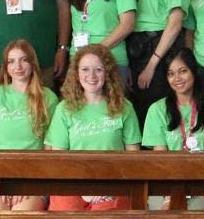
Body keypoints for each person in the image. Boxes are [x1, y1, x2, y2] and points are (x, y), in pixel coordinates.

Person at [45, 44, 141, 211]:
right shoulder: (64, 109)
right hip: (72, 184)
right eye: (85, 69)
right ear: (76, 73)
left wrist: (109, 186)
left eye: (98, 69)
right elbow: (59, 159)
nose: (91, 75)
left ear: (107, 73)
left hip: (114, 183)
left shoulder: (124, 107)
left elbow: (133, 159)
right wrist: (84, 189)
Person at [0, 40, 59, 211]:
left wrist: (25, 182)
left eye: (24, 60)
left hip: (33, 176)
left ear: (32, 63)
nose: (18, 66)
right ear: (5, 66)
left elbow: (49, 148)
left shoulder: (48, 97)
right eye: (11, 61)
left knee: (21, 213)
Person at [142, 47, 204, 152]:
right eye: (171, 74)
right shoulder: (157, 109)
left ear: (194, 71)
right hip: (170, 163)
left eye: (183, 71)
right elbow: (160, 157)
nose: (177, 78)